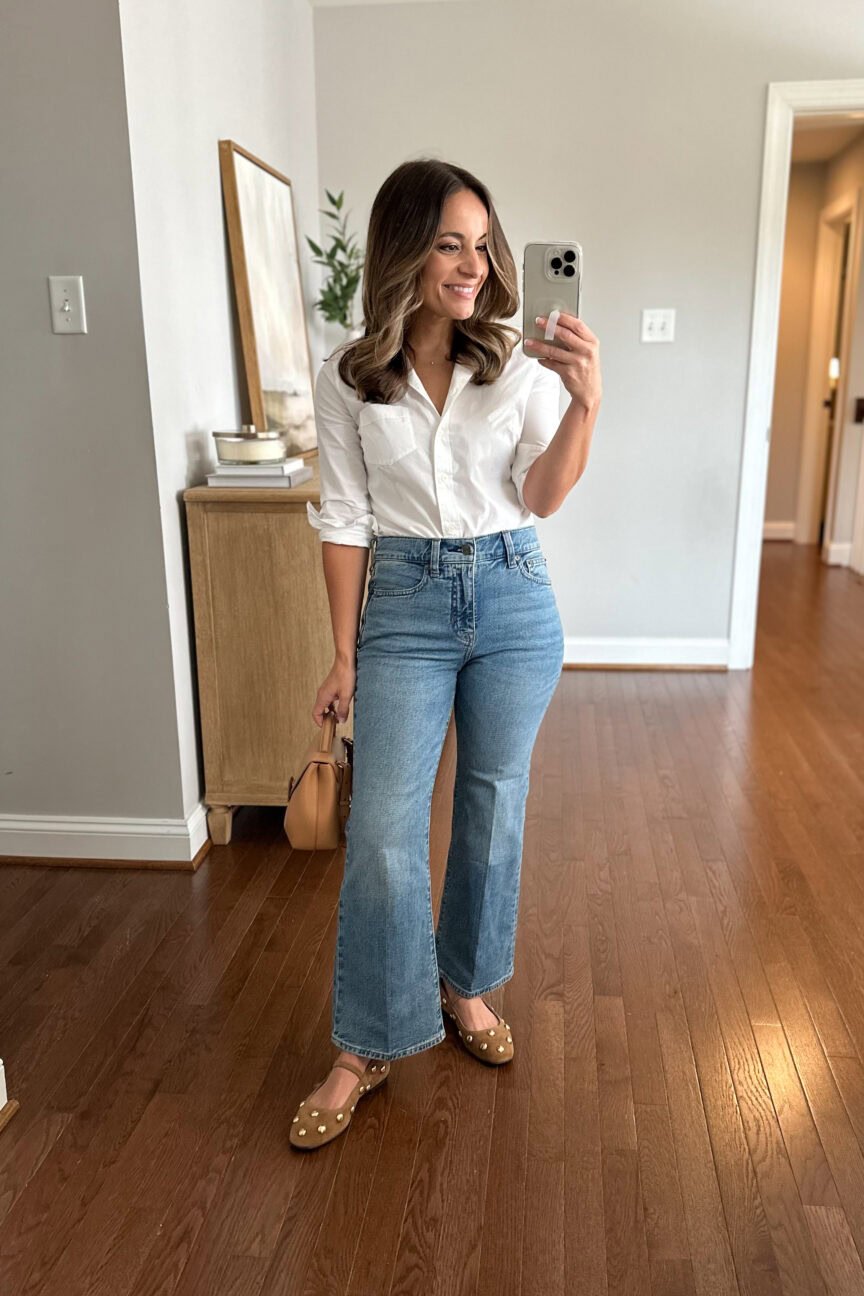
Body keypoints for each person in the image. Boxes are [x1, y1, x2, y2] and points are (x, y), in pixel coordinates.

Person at [290, 158, 602, 1150]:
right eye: (448, 244)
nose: (473, 266)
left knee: (493, 804)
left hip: (513, 591)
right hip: (405, 603)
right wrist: (343, 655)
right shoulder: (351, 377)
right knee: (383, 826)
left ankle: (465, 988)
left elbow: (542, 495)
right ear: (403, 253)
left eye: (482, 245)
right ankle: (367, 1042)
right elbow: (345, 519)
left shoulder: (519, 365)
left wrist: (586, 402)